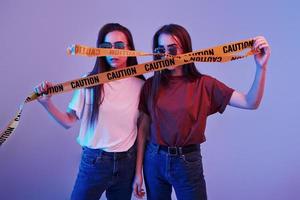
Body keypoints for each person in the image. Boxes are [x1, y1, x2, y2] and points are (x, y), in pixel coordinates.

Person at [133, 24, 270, 200]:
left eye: (173, 49)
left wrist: (261, 68)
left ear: (186, 50)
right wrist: (138, 172)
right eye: (161, 50)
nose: (167, 55)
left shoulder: (204, 84)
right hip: (153, 160)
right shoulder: (151, 86)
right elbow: (143, 129)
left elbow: (250, 102)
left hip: (186, 162)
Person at [35, 23, 145, 200]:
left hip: (127, 163)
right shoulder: (89, 82)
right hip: (95, 162)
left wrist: (138, 172)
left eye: (119, 46)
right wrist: (46, 103)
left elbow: (142, 131)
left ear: (130, 49)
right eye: (106, 47)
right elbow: (68, 121)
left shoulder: (141, 86)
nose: (113, 52)